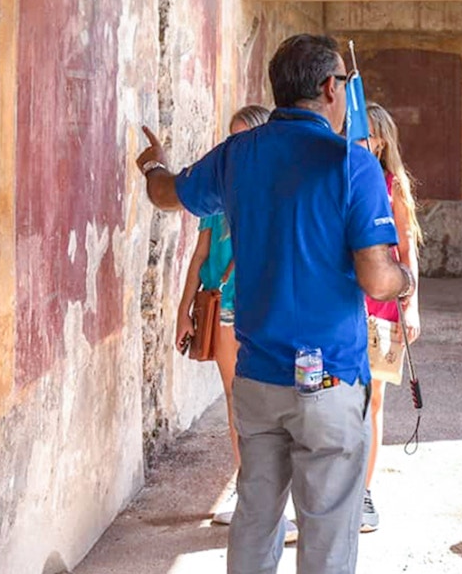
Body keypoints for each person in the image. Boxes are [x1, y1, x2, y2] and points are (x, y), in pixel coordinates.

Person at [135, 34, 414, 574]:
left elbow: (167, 194)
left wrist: (153, 166)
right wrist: (404, 281)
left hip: (259, 375)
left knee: (256, 519)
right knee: (328, 530)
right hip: (330, 377)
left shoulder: (240, 155)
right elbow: (378, 279)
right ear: (331, 88)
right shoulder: (350, 165)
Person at [175, 104, 273, 527]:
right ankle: (246, 487)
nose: (233, 146)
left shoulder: (274, 191)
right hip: (221, 307)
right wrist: (183, 310)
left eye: (242, 138)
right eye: (230, 137)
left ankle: (267, 496)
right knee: (237, 401)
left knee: (263, 403)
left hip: (257, 307)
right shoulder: (218, 192)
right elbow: (200, 253)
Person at [359, 102, 423, 533]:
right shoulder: (341, 177)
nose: (360, 139)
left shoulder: (392, 184)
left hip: (383, 305)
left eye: (367, 133)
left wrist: (412, 303)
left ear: (382, 139)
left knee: (374, 401)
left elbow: (406, 248)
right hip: (344, 302)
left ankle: (363, 493)